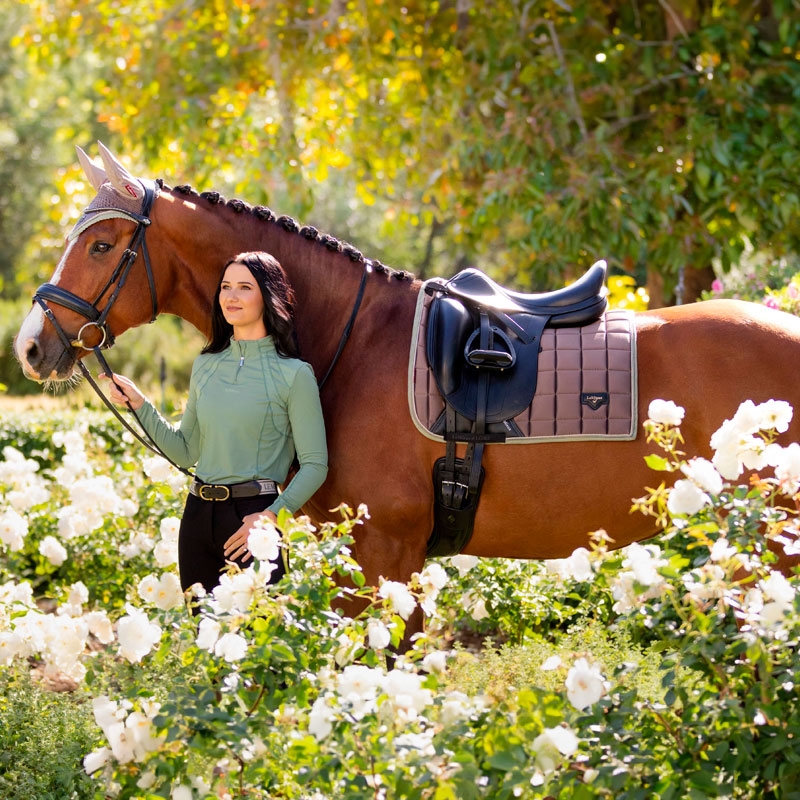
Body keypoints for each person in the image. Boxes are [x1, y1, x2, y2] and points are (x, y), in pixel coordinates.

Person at [101, 251, 328, 595]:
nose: (231, 296)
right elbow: (185, 450)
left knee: (255, 639)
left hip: (251, 521)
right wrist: (140, 405)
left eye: (244, 287)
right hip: (196, 518)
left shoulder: (294, 375)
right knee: (201, 638)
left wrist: (271, 516)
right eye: (225, 286)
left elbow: (315, 464)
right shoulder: (205, 365)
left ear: (268, 297)